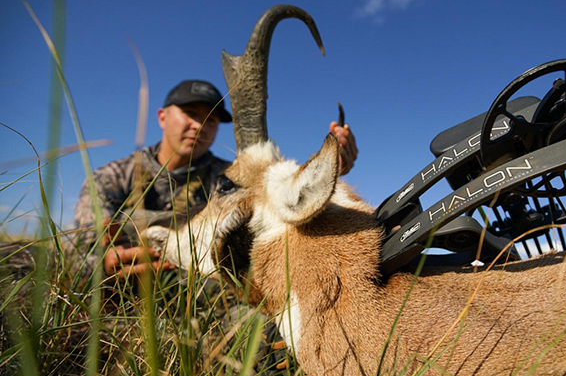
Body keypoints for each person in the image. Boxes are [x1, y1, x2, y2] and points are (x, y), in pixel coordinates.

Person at [69, 80, 358, 279]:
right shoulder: (113, 176)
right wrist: (105, 262)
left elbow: (278, 193)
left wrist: (331, 168)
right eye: (190, 114)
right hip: (117, 286)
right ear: (161, 117)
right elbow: (83, 242)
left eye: (210, 120)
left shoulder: (232, 177)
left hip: (192, 288)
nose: (199, 126)